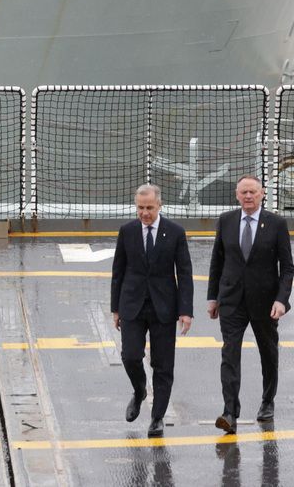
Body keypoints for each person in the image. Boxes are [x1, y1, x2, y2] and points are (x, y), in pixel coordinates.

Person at [207, 175, 294, 434]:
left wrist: (282, 300)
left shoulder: (277, 224)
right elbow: (217, 262)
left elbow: (287, 268)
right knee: (229, 354)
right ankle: (229, 412)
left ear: (262, 194)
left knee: (268, 354)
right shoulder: (226, 221)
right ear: (237, 194)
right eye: (244, 192)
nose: (248, 196)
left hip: (265, 302)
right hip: (232, 301)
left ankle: (267, 401)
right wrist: (213, 298)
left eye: (253, 192)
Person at [111, 184, 193, 438]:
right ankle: (139, 390)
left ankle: (157, 417)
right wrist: (115, 308)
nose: (144, 213)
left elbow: (185, 273)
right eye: (140, 208)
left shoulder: (176, 232)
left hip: (164, 306)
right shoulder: (127, 232)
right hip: (132, 304)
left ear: (160, 206)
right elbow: (118, 271)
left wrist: (186, 310)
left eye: (149, 208)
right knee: (131, 355)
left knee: (162, 364)